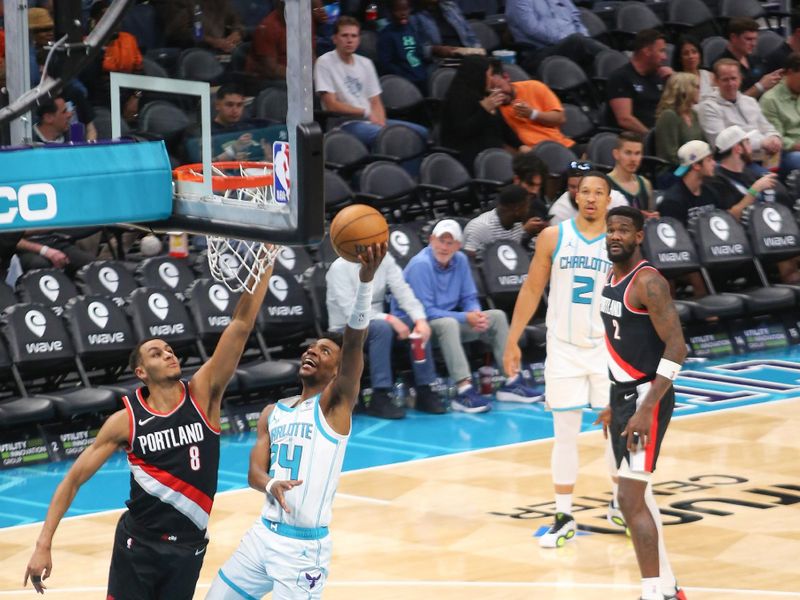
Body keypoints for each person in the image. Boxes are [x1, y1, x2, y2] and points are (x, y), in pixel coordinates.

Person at [24, 246, 280, 598]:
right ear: (141, 372)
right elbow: (73, 481)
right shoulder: (125, 421)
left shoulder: (203, 395)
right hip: (138, 545)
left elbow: (240, 324)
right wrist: (43, 543)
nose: (168, 353)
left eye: (169, 349)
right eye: (156, 353)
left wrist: (264, 263)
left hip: (188, 546)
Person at [205, 243, 386, 599]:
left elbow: (353, 344)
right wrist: (270, 485)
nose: (311, 351)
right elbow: (254, 473)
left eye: (324, 350)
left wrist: (365, 283)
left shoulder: (334, 407)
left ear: (337, 370)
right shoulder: (274, 412)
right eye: (310, 347)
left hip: (302, 550)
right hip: (262, 536)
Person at [503, 171, 624, 548]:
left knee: (616, 432)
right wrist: (513, 339)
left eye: (598, 193)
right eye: (584, 192)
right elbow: (533, 288)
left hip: (608, 348)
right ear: (576, 198)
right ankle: (564, 514)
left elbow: (637, 297)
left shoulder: (620, 242)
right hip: (564, 349)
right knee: (564, 435)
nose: (590, 198)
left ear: (608, 200)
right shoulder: (554, 237)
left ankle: (622, 503)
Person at [598, 205, 687, 600]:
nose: (615, 235)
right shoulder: (609, 275)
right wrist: (612, 400)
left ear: (638, 236)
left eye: (623, 230)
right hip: (624, 398)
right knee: (637, 496)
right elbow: (619, 344)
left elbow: (678, 347)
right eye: (610, 229)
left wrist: (646, 409)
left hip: (645, 401)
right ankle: (667, 588)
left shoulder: (648, 282)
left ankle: (653, 592)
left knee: (629, 498)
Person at [401, 219, 542, 413]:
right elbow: (425, 311)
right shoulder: (420, 265)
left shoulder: (460, 260)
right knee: (448, 323)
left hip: (447, 321)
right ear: (431, 240)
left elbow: (469, 297)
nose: (444, 247)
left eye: (450, 243)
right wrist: (465, 317)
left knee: (497, 316)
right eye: (440, 241)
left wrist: (475, 312)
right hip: (418, 328)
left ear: (458, 245)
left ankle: (511, 380)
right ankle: (463, 390)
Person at [326, 251, 446, 419]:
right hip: (344, 329)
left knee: (414, 326)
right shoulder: (339, 267)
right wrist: (389, 318)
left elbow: (403, 291)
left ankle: (424, 389)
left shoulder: (385, 259)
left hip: (375, 324)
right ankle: (379, 396)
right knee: (382, 328)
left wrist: (420, 319)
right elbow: (351, 312)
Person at [314, 16, 429, 147]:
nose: (349, 40)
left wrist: (381, 120)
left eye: (354, 36)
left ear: (358, 40)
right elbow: (331, 105)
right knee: (392, 137)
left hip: (370, 121)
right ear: (334, 39)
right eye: (344, 35)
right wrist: (366, 113)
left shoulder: (366, 63)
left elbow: (375, 100)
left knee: (421, 133)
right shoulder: (324, 62)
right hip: (344, 124)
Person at [440, 55, 525, 171]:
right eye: (489, 75)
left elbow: (503, 126)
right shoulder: (457, 98)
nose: (492, 79)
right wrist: (484, 110)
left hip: (495, 152)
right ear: (478, 75)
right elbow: (464, 131)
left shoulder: (484, 94)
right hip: (471, 157)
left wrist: (520, 145)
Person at [696, 59, 783, 166]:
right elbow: (719, 144)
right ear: (716, 81)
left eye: (734, 78)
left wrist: (774, 138)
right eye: (725, 80)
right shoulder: (708, 107)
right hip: (736, 162)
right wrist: (761, 143)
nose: (731, 84)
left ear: (740, 78)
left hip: (765, 156)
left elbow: (767, 127)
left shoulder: (749, 101)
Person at [488, 58, 578, 152]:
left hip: (562, 146)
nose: (498, 94)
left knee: (588, 162)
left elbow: (560, 119)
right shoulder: (491, 107)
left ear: (506, 77)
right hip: (534, 156)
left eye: (499, 87)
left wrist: (532, 114)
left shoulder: (534, 86)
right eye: (491, 91)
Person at [504, 0, 610, 74]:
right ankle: (618, 63)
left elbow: (575, 16)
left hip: (573, 43)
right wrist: (564, 39)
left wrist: (585, 35)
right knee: (578, 41)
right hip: (539, 52)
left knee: (586, 43)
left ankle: (614, 63)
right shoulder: (516, 1)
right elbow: (532, 29)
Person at [607, 29, 671, 134]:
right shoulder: (621, 77)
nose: (665, 57)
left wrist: (673, 79)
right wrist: (651, 137)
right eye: (661, 51)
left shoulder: (660, 74)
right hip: (635, 139)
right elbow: (624, 119)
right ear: (647, 51)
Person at [654, 72, 706, 182]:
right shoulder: (669, 116)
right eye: (697, 87)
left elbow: (703, 144)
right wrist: (697, 165)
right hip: (674, 172)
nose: (699, 91)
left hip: (695, 167)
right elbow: (670, 156)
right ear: (685, 90)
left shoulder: (693, 114)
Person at [659, 140, 720, 227]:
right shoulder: (672, 202)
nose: (714, 163)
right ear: (696, 165)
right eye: (709, 160)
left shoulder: (711, 192)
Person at [463, 184, 535, 257]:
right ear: (516, 209)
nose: (528, 210)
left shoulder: (516, 224)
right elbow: (468, 262)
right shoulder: (480, 228)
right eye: (527, 206)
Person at [547, 160, 628, 225]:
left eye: (583, 188)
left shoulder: (617, 200)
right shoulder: (560, 211)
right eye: (572, 187)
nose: (577, 191)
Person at [759, 52, 800, 178]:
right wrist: (796, 145)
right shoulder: (770, 100)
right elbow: (775, 137)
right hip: (786, 153)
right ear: (789, 73)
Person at [720, 17, 782, 99]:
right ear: (733, 37)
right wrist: (760, 87)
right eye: (748, 39)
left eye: (755, 39)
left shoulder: (755, 59)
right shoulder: (721, 66)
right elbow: (732, 102)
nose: (754, 44)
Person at [378, 0, 429, 93]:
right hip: (404, 82)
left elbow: (419, 52)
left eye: (405, 9)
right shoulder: (386, 35)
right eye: (398, 10)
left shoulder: (411, 28)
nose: (403, 13)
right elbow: (386, 63)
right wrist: (403, 75)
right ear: (390, 12)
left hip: (421, 77)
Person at [409, 0, 484, 61]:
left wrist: (477, 50)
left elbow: (469, 33)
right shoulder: (413, 17)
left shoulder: (449, 5)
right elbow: (414, 50)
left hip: (465, 55)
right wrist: (434, 50)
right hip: (439, 62)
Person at [607, 132, 659, 218]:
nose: (633, 159)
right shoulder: (605, 184)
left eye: (637, 153)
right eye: (628, 153)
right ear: (616, 154)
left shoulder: (645, 184)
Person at [672, 35, 714, 100]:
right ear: (679, 58)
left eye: (694, 52)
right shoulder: (676, 81)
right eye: (686, 53)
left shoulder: (710, 76)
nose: (691, 56)